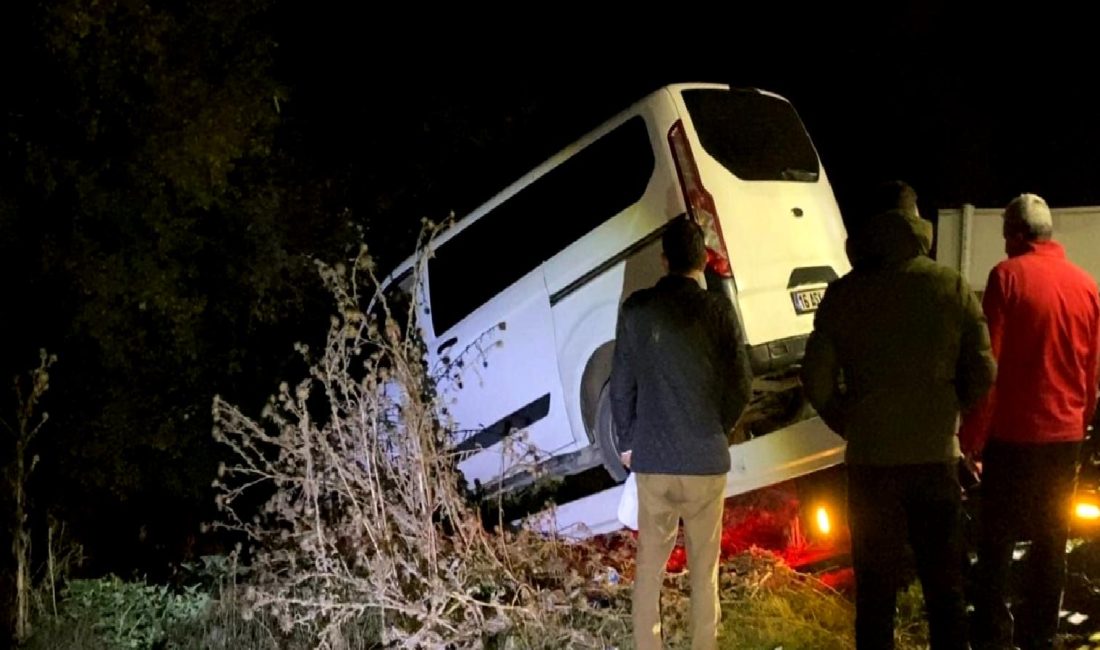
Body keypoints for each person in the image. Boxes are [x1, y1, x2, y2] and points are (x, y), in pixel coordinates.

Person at [801, 180, 996, 649]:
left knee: (874, 596)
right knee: (945, 590)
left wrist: (852, 423)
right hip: (934, 459)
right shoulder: (948, 286)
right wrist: (950, 413)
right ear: (917, 225)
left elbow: (817, 382)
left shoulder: (843, 296)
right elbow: (983, 369)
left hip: (871, 466)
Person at [961, 192, 1100, 650]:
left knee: (996, 542)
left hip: (1014, 437)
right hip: (1064, 438)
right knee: (1050, 540)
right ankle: (1040, 636)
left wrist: (973, 440)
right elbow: (1092, 374)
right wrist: (1079, 428)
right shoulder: (1087, 286)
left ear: (1018, 235)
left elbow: (989, 367)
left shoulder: (1007, 277)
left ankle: (992, 638)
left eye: (1005, 236)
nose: (1003, 245)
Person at [611, 214, 753, 650]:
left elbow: (621, 385)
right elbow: (742, 384)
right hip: (706, 465)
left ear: (663, 259)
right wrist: (720, 427)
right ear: (703, 261)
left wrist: (628, 441)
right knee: (704, 571)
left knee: (648, 570)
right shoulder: (719, 311)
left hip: (653, 464)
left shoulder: (637, 311)